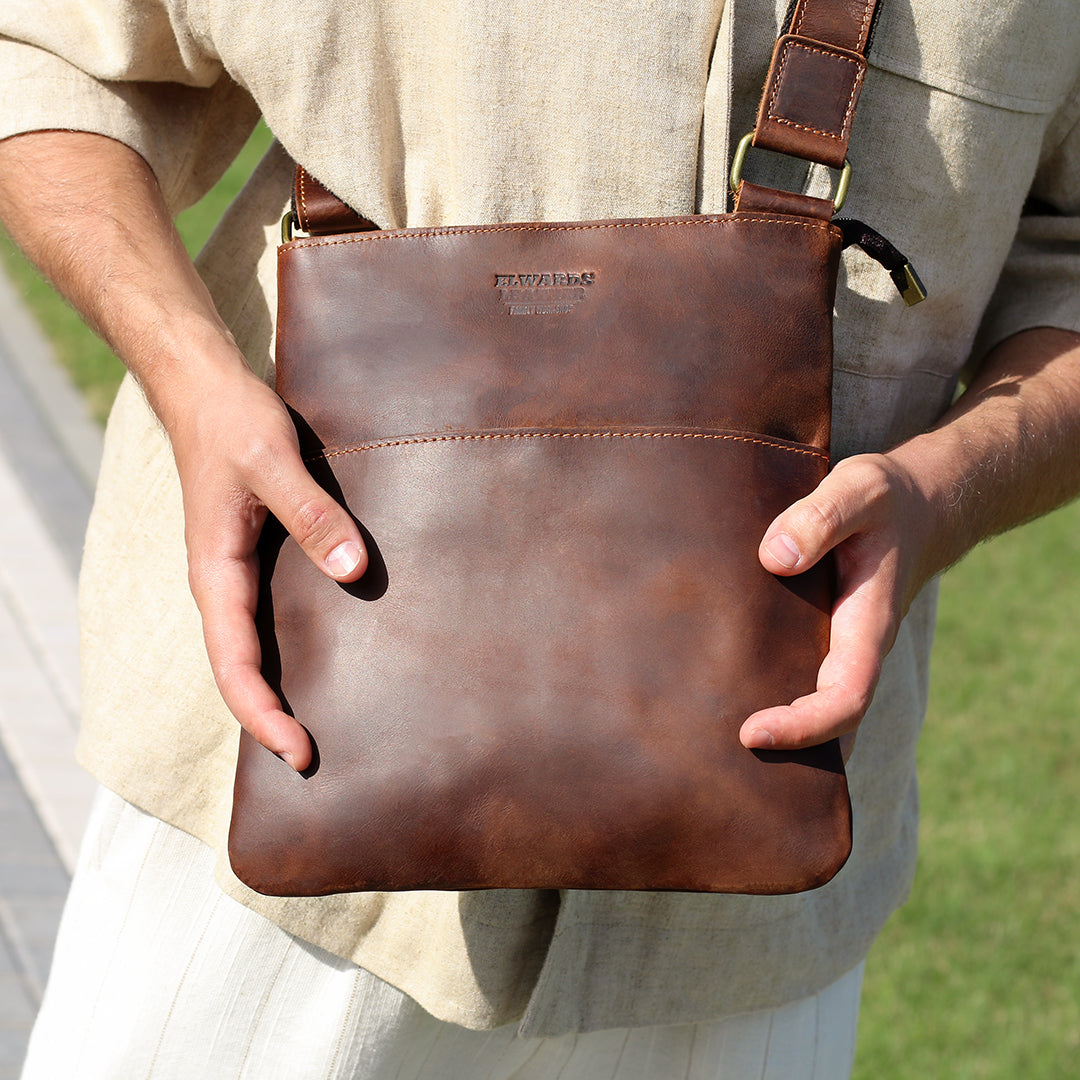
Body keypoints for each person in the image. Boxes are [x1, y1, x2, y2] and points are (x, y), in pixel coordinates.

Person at [1, 0, 1078, 1076]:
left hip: (745, 930)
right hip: (258, 830)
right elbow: (49, 62)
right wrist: (191, 382)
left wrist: (951, 488)